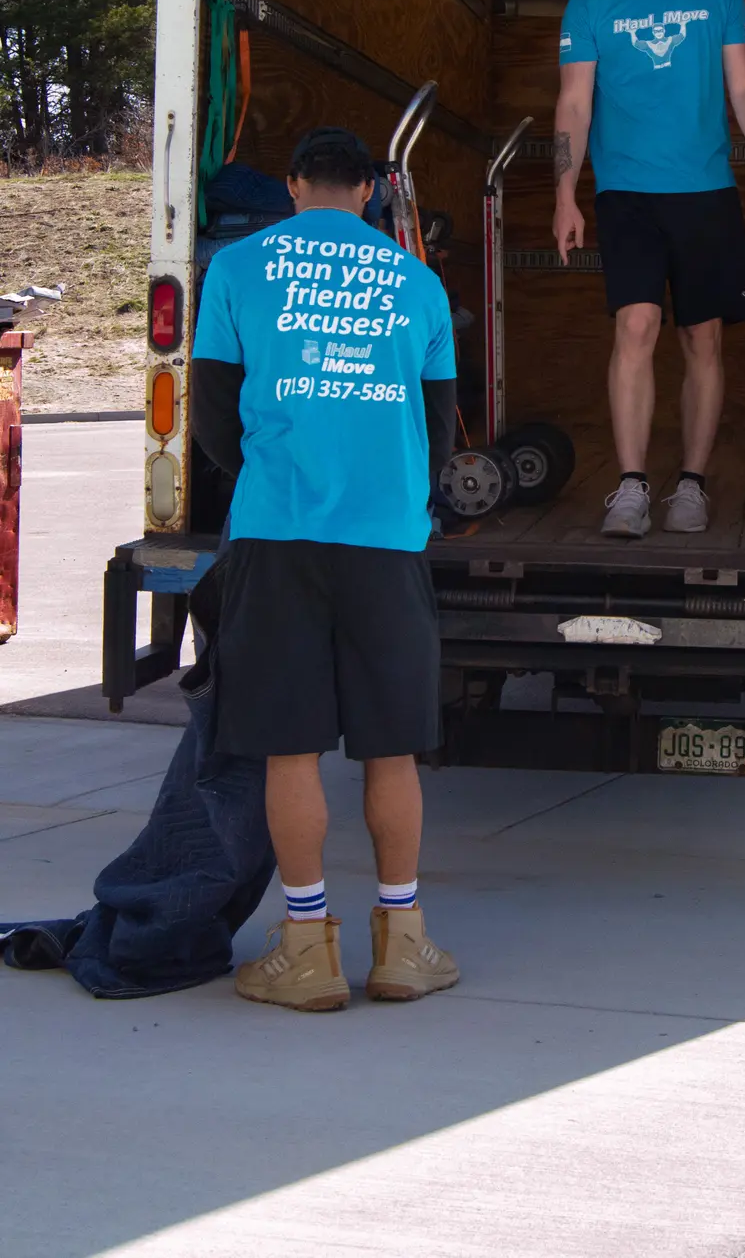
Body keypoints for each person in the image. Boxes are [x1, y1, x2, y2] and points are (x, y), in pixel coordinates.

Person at [190, 126, 459, 1012]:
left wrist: (269, 480)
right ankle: (404, 943)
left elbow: (213, 417)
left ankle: (306, 948)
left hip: (279, 533)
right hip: (386, 540)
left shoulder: (237, 269)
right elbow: (441, 423)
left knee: (289, 745)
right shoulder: (420, 284)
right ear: (376, 189)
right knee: (393, 748)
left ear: (295, 185)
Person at [553, 0, 745, 537]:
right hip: (625, 191)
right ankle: (629, 487)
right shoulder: (591, 3)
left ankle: (691, 485)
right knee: (635, 326)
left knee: (702, 336)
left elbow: (744, 82)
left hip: (706, 190)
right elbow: (573, 101)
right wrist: (565, 192)